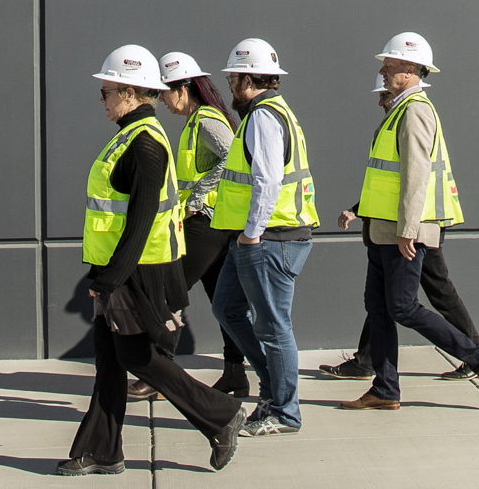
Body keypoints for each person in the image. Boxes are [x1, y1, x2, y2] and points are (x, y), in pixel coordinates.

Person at [62, 45, 251, 476]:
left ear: (129, 93)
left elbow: (142, 222)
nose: (102, 99)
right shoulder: (130, 136)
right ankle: (101, 451)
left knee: (137, 356)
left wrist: (110, 279)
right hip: (123, 269)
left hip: (138, 272)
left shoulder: (145, 144)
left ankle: (221, 416)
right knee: (111, 359)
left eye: (107, 91)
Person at [333, 30, 479, 411]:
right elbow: (387, 178)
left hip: (401, 231)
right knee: (378, 307)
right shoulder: (399, 110)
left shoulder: (415, 111)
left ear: (410, 69)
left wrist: (409, 229)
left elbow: (416, 175)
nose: (383, 70)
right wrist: (360, 210)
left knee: (403, 306)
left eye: (389, 64)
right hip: (382, 229)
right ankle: (385, 390)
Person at [207, 38, 316, 436]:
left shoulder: (264, 117)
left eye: (233, 79)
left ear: (248, 80)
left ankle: (284, 412)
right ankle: (272, 388)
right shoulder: (269, 112)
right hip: (258, 238)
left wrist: (251, 234)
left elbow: (267, 180)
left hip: (271, 238)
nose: (230, 86)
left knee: (273, 326)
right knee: (227, 308)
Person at [158, 50, 251, 399]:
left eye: (165, 92)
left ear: (183, 89)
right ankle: (235, 374)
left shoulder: (207, 120)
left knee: (167, 293)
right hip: (210, 222)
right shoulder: (195, 122)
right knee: (224, 304)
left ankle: (157, 373)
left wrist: (197, 197)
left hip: (207, 223)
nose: (163, 100)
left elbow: (232, 157)